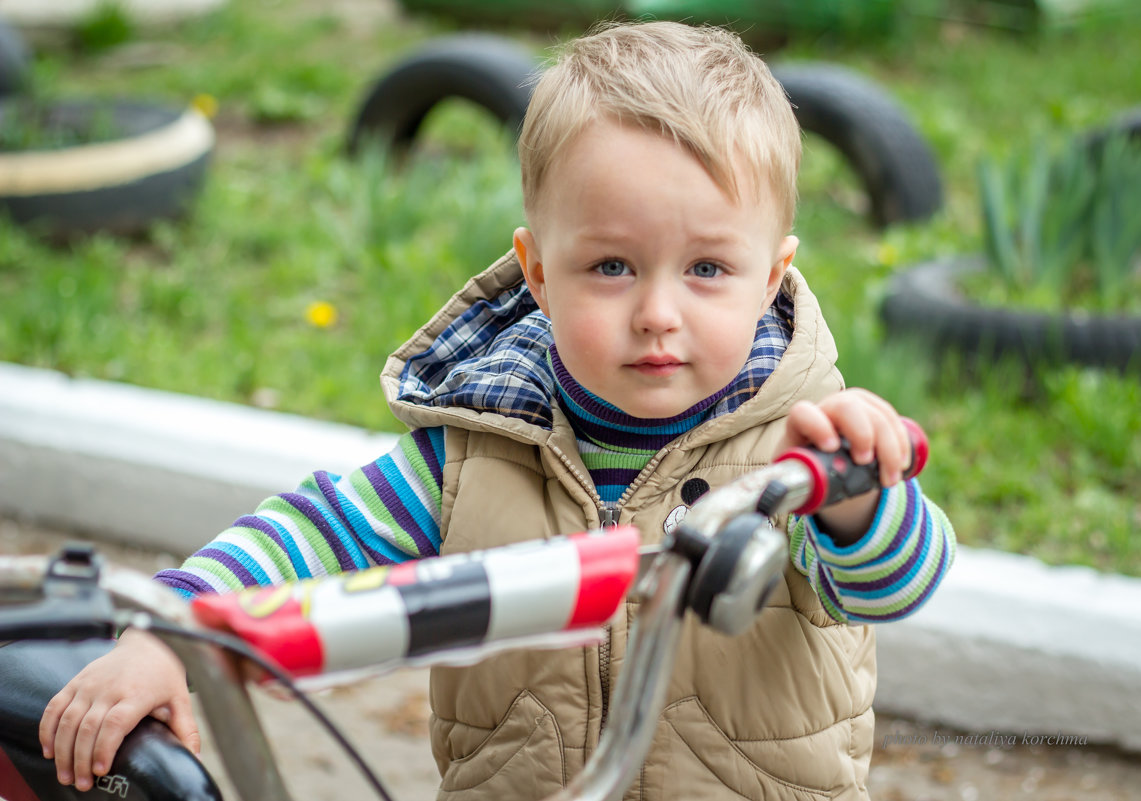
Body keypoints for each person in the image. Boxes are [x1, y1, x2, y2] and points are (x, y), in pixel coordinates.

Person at [40, 20, 955, 801]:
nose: (657, 312)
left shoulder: (801, 451)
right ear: (539, 273)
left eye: (707, 269)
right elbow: (310, 534)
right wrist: (176, 634)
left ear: (773, 277)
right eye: (611, 266)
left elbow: (892, 584)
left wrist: (857, 504)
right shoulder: (474, 451)